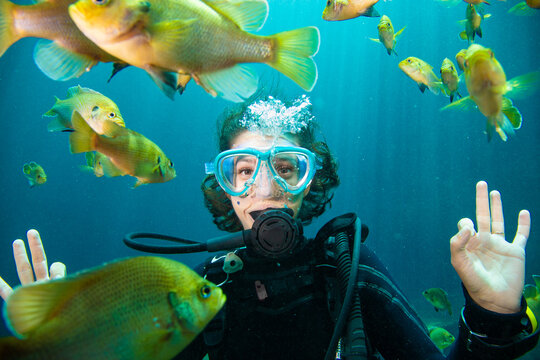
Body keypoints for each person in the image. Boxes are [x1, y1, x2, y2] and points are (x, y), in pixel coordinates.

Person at [1, 94, 538, 359]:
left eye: (287, 167)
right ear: (223, 187)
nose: (265, 188)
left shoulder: (348, 272)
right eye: (243, 171)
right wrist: (63, 337)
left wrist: (490, 317)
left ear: (310, 183)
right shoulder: (201, 289)